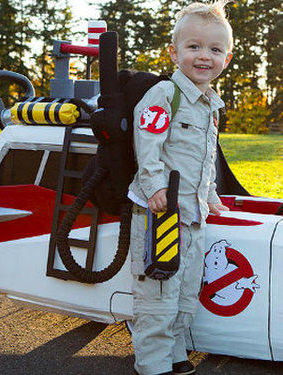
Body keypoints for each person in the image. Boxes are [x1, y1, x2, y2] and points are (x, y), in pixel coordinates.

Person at [128, 1, 233, 375]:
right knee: (158, 294)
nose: (204, 56)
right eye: (194, 47)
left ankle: (173, 355)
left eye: (215, 49)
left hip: (193, 218)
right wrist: (154, 185)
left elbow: (202, 159)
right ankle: (152, 366)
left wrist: (209, 196)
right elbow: (148, 143)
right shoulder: (164, 96)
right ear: (174, 52)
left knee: (186, 293)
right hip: (161, 216)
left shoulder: (211, 106)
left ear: (227, 57)